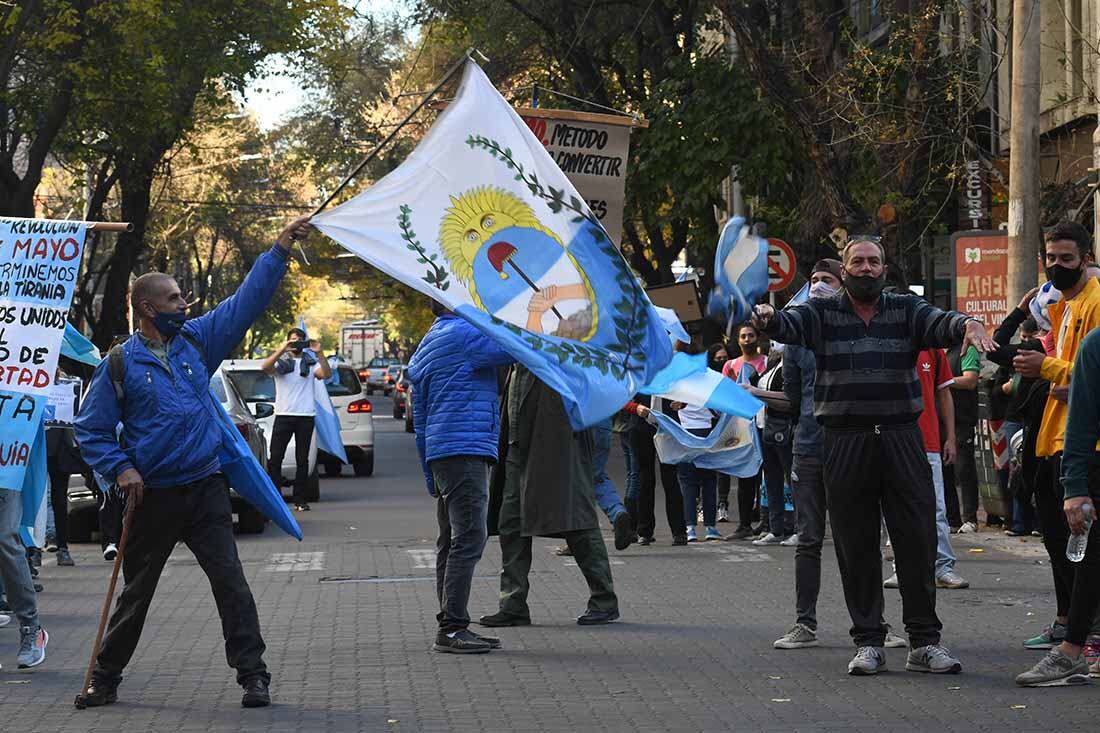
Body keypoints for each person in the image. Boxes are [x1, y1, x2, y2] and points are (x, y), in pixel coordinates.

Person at [73, 215, 312, 708]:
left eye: (183, 298)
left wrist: (279, 251)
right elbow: (90, 429)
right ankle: (106, 676)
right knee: (136, 594)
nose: (184, 305)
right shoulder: (119, 363)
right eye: (174, 299)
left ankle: (253, 676)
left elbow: (245, 303)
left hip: (204, 488)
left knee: (231, 583)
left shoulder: (197, 343)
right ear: (147, 308)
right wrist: (121, 467)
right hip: (152, 495)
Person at [754, 236, 995, 676]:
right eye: (857, 262)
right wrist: (768, 318)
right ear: (844, 271)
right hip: (845, 441)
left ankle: (924, 642)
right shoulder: (822, 313)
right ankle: (869, 641)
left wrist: (968, 326)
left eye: (873, 262)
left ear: (884, 269)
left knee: (917, 541)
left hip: (901, 439)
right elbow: (786, 326)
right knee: (855, 544)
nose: (866, 268)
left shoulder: (905, 309)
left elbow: (942, 322)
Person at [1010, 222, 1100, 654]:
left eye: (1068, 259)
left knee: (1085, 550)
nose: (1058, 267)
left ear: (1086, 257)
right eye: (1052, 259)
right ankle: (1069, 625)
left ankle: (1083, 643)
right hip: (1051, 437)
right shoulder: (1061, 309)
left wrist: (1047, 370)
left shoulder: (1096, 304)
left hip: (1081, 444)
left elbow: (1088, 378)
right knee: (1057, 540)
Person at [408, 300, 514, 654]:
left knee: (451, 539)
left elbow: (420, 418)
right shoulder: (466, 334)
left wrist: (428, 469)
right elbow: (515, 345)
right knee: (469, 536)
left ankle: (449, 622)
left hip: (443, 450)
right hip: (465, 447)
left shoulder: (430, 340)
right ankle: (453, 628)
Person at [480, 365, 619, 627]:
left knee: (576, 521)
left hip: (556, 446)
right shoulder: (517, 353)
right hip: (517, 449)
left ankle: (604, 599)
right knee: (511, 525)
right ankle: (513, 604)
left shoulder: (556, 348)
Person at [1016, 326, 1100, 686]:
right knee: (1093, 560)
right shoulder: (1095, 345)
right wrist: (1075, 488)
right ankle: (1070, 651)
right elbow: (1080, 422)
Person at [883, 345, 968, 590]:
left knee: (936, 507)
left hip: (928, 442)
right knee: (896, 508)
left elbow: (944, 394)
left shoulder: (932, 348)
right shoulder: (885, 339)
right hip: (892, 441)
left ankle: (942, 567)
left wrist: (950, 437)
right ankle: (903, 568)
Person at [260, 326, 332, 512]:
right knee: (275, 458)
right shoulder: (281, 363)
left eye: (299, 341)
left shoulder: (310, 362)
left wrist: (320, 352)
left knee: (302, 460)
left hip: (305, 416)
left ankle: (300, 499)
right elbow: (264, 367)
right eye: (292, 340)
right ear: (287, 341)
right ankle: (276, 497)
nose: (295, 344)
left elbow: (326, 374)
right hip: (283, 415)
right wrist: (282, 349)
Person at [723, 326, 766, 540]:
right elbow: (725, 396)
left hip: (763, 424)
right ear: (737, 341)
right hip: (741, 428)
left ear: (757, 338)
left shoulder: (766, 362)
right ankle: (744, 524)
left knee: (766, 476)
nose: (747, 339)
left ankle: (767, 521)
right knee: (744, 475)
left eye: (751, 335)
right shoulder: (731, 365)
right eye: (743, 336)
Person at [626, 396, 687, 546]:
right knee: (644, 479)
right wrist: (635, 407)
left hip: (668, 424)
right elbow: (620, 395)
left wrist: (682, 401)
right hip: (641, 423)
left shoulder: (670, 371)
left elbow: (685, 389)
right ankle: (644, 531)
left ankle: (679, 532)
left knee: (670, 478)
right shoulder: (637, 371)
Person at [942, 342, 988, 532]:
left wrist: (944, 380)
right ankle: (952, 520)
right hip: (943, 420)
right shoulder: (943, 351)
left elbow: (970, 380)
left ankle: (970, 518)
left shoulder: (966, 350)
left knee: (963, 468)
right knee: (945, 471)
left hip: (962, 418)